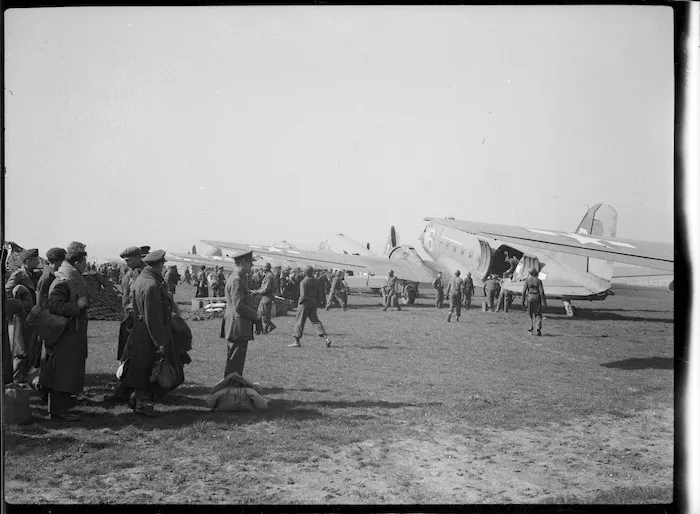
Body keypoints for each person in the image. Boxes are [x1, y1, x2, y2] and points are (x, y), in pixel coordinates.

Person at [121, 250, 178, 416]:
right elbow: (152, 317)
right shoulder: (152, 285)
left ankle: (135, 398)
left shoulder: (141, 280)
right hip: (149, 332)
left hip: (140, 330)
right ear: (160, 265)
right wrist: (159, 341)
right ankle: (142, 404)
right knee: (148, 369)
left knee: (140, 367)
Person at [41, 242, 90, 421]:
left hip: (71, 332)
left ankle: (62, 407)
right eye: (84, 262)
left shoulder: (70, 277)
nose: (86, 265)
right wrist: (76, 306)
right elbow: (54, 305)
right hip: (65, 333)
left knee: (67, 370)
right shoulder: (64, 280)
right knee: (62, 371)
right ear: (77, 263)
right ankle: (58, 411)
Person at [221, 250, 262, 378]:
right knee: (235, 360)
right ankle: (231, 387)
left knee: (237, 359)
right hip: (237, 325)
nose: (252, 266)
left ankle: (234, 384)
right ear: (242, 263)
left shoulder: (240, 278)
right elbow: (239, 306)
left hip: (238, 324)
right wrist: (256, 316)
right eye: (250, 263)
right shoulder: (236, 280)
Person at [5, 248, 40, 383]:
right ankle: (15, 379)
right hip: (21, 317)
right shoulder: (18, 275)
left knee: (31, 347)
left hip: (33, 316)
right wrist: (19, 303)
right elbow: (7, 291)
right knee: (21, 349)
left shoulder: (35, 275)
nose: (37, 262)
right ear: (27, 261)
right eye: (35, 259)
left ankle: (24, 377)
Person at [289, 265, 331, 348]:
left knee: (300, 322)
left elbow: (303, 295)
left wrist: (299, 303)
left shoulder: (303, 282)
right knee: (315, 321)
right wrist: (317, 302)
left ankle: (296, 341)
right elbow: (320, 294)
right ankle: (326, 338)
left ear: (305, 272)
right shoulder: (316, 281)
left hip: (304, 304)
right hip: (313, 302)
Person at [251, 262, 277, 334]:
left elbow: (266, 289)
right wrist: (257, 290)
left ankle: (269, 326)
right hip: (267, 297)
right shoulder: (271, 276)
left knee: (262, 313)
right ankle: (265, 330)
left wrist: (256, 292)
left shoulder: (269, 277)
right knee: (265, 313)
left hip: (266, 297)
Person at [522, 267, 547, 336]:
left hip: (529, 297)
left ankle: (530, 330)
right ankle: (538, 328)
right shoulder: (538, 281)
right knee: (538, 314)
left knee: (530, 314)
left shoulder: (527, 280)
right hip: (537, 297)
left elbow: (524, 291)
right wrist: (544, 301)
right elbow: (541, 292)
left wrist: (522, 301)